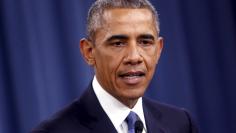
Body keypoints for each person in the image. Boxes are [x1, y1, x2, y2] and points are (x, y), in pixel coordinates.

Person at [31, 0, 198, 133]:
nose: (134, 57)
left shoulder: (181, 124)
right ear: (89, 52)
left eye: (145, 42)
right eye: (118, 43)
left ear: (159, 49)